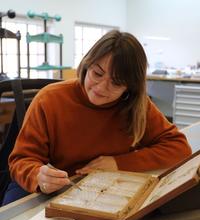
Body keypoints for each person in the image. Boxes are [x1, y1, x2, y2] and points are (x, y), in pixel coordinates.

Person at [2, 30, 191, 205]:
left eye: (116, 83)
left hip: (106, 188)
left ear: (130, 88)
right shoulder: (49, 99)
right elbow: (21, 160)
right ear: (87, 64)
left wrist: (119, 163)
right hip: (52, 190)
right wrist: (38, 176)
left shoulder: (137, 106)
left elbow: (179, 147)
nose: (101, 88)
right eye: (97, 73)